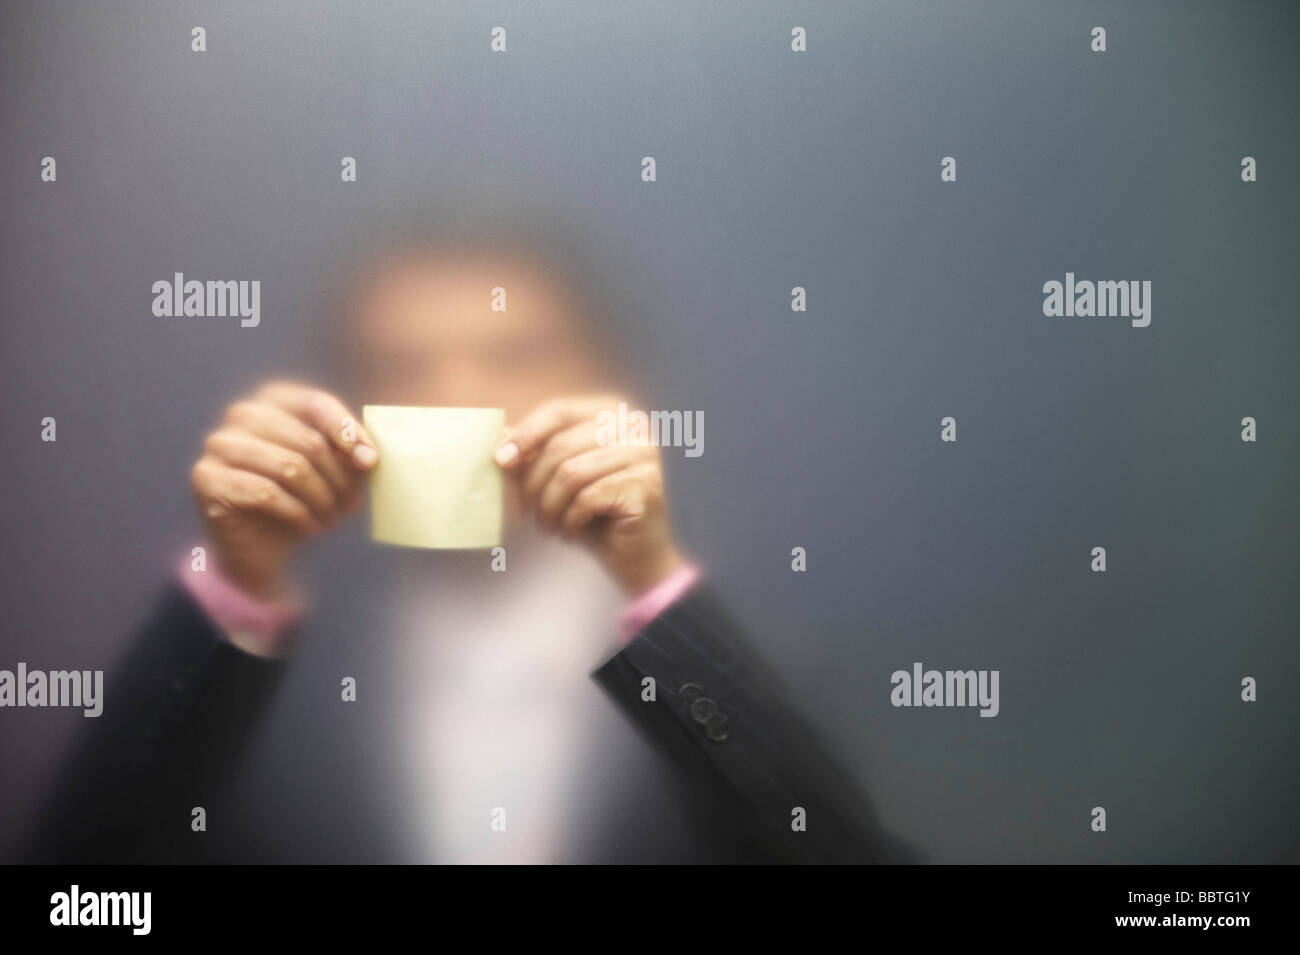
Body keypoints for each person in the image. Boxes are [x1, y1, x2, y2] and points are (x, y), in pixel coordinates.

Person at [22, 203, 919, 864]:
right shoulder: (264, 673)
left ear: (616, 383)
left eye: (514, 354)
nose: (456, 398)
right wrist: (236, 588)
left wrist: (651, 580)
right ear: (341, 406)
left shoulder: (759, 646)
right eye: (400, 365)